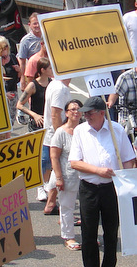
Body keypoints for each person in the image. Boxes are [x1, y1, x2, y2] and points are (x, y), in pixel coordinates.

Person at [69, 96, 136, 267]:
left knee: (111, 232)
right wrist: (98, 171)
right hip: (89, 189)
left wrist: (127, 182)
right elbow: (75, 162)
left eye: (90, 113)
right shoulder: (80, 131)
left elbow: (128, 159)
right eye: (85, 114)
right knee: (89, 233)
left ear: (101, 113)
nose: (86, 117)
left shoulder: (117, 130)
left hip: (112, 189)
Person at [49, 99, 83, 251]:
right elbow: (54, 156)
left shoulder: (85, 130)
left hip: (86, 176)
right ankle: (68, 237)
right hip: (68, 175)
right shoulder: (60, 132)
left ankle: (88, 236)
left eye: (78, 109)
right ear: (67, 113)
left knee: (88, 208)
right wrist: (58, 178)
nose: (76, 112)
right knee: (67, 207)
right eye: (72, 109)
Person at [41, 78, 72, 208]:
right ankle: (52, 203)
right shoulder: (60, 88)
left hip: (52, 135)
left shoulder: (55, 84)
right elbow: (55, 115)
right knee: (60, 169)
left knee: (56, 169)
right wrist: (61, 136)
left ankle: (51, 203)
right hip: (55, 136)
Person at [17, 57, 53, 132]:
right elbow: (19, 105)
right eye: (50, 68)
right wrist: (34, 115)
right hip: (36, 124)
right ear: (43, 70)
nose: (52, 70)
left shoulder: (51, 83)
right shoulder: (33, 85)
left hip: (49, 122)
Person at [17, 12, 42, 90]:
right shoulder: (26, 40)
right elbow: (22, 61)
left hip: (46, 72)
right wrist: (22, 79)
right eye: (34, 24)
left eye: (39, 23)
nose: (37, 26)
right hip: (33, 74)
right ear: (29, 25)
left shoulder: (47, 36)